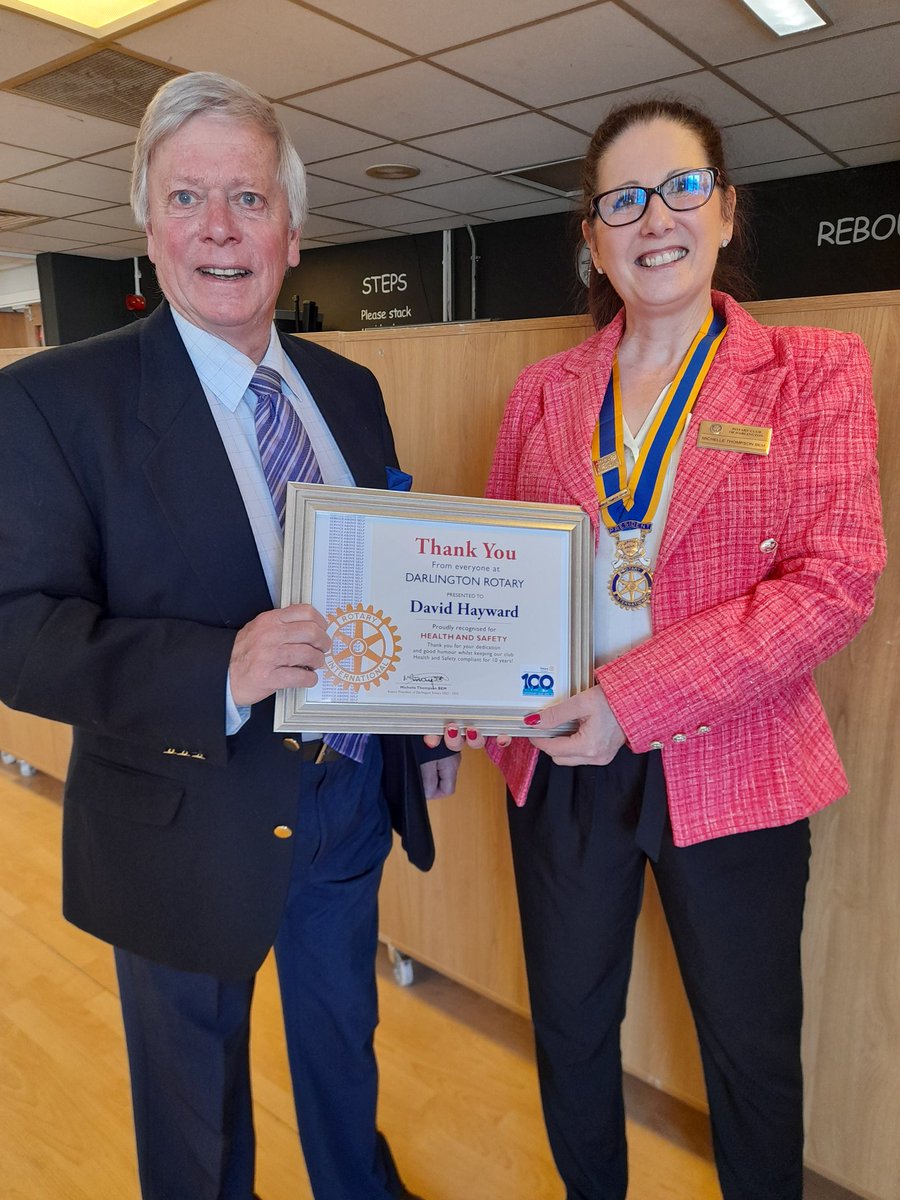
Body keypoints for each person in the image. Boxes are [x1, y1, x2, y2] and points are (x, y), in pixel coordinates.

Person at [0, 72, 458, 1200]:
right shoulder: (56, 400)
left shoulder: (348, 390)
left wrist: (424, 705)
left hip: (345, 800)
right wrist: (223, 667)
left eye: (248, 199)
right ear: (148, 226)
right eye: (188, 197)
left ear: (291, 234)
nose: (218, 227)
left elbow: (379, 579)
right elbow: (18, 632)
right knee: (196, 1113)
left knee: (342, 1052)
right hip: (181, 817)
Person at [431, 98, 886, 1199]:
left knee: (750, 1056)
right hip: (560, 759)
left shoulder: (815, 371)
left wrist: (634, 698)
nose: (656, 220)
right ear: (593, 236)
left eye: (682, 188)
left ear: (725, 211)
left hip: (735, 763)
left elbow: (835, 585)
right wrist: (463, 679)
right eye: (622, 200)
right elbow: (499, 568)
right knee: (573, 1032)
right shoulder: (544, 391)